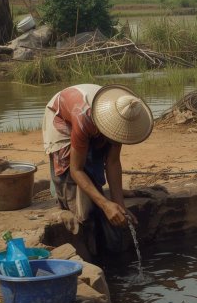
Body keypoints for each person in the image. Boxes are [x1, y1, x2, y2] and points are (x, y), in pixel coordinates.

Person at [42, 84, 153, 240]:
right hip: (61, 116)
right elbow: (76, 170)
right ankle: (62, 194)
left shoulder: (119, 116)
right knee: (83, 209)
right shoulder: (83, 119)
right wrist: (105, 205)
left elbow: (113, 162)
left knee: (95, 168)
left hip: (92, 110)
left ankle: (100, 193)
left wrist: (119, 203)